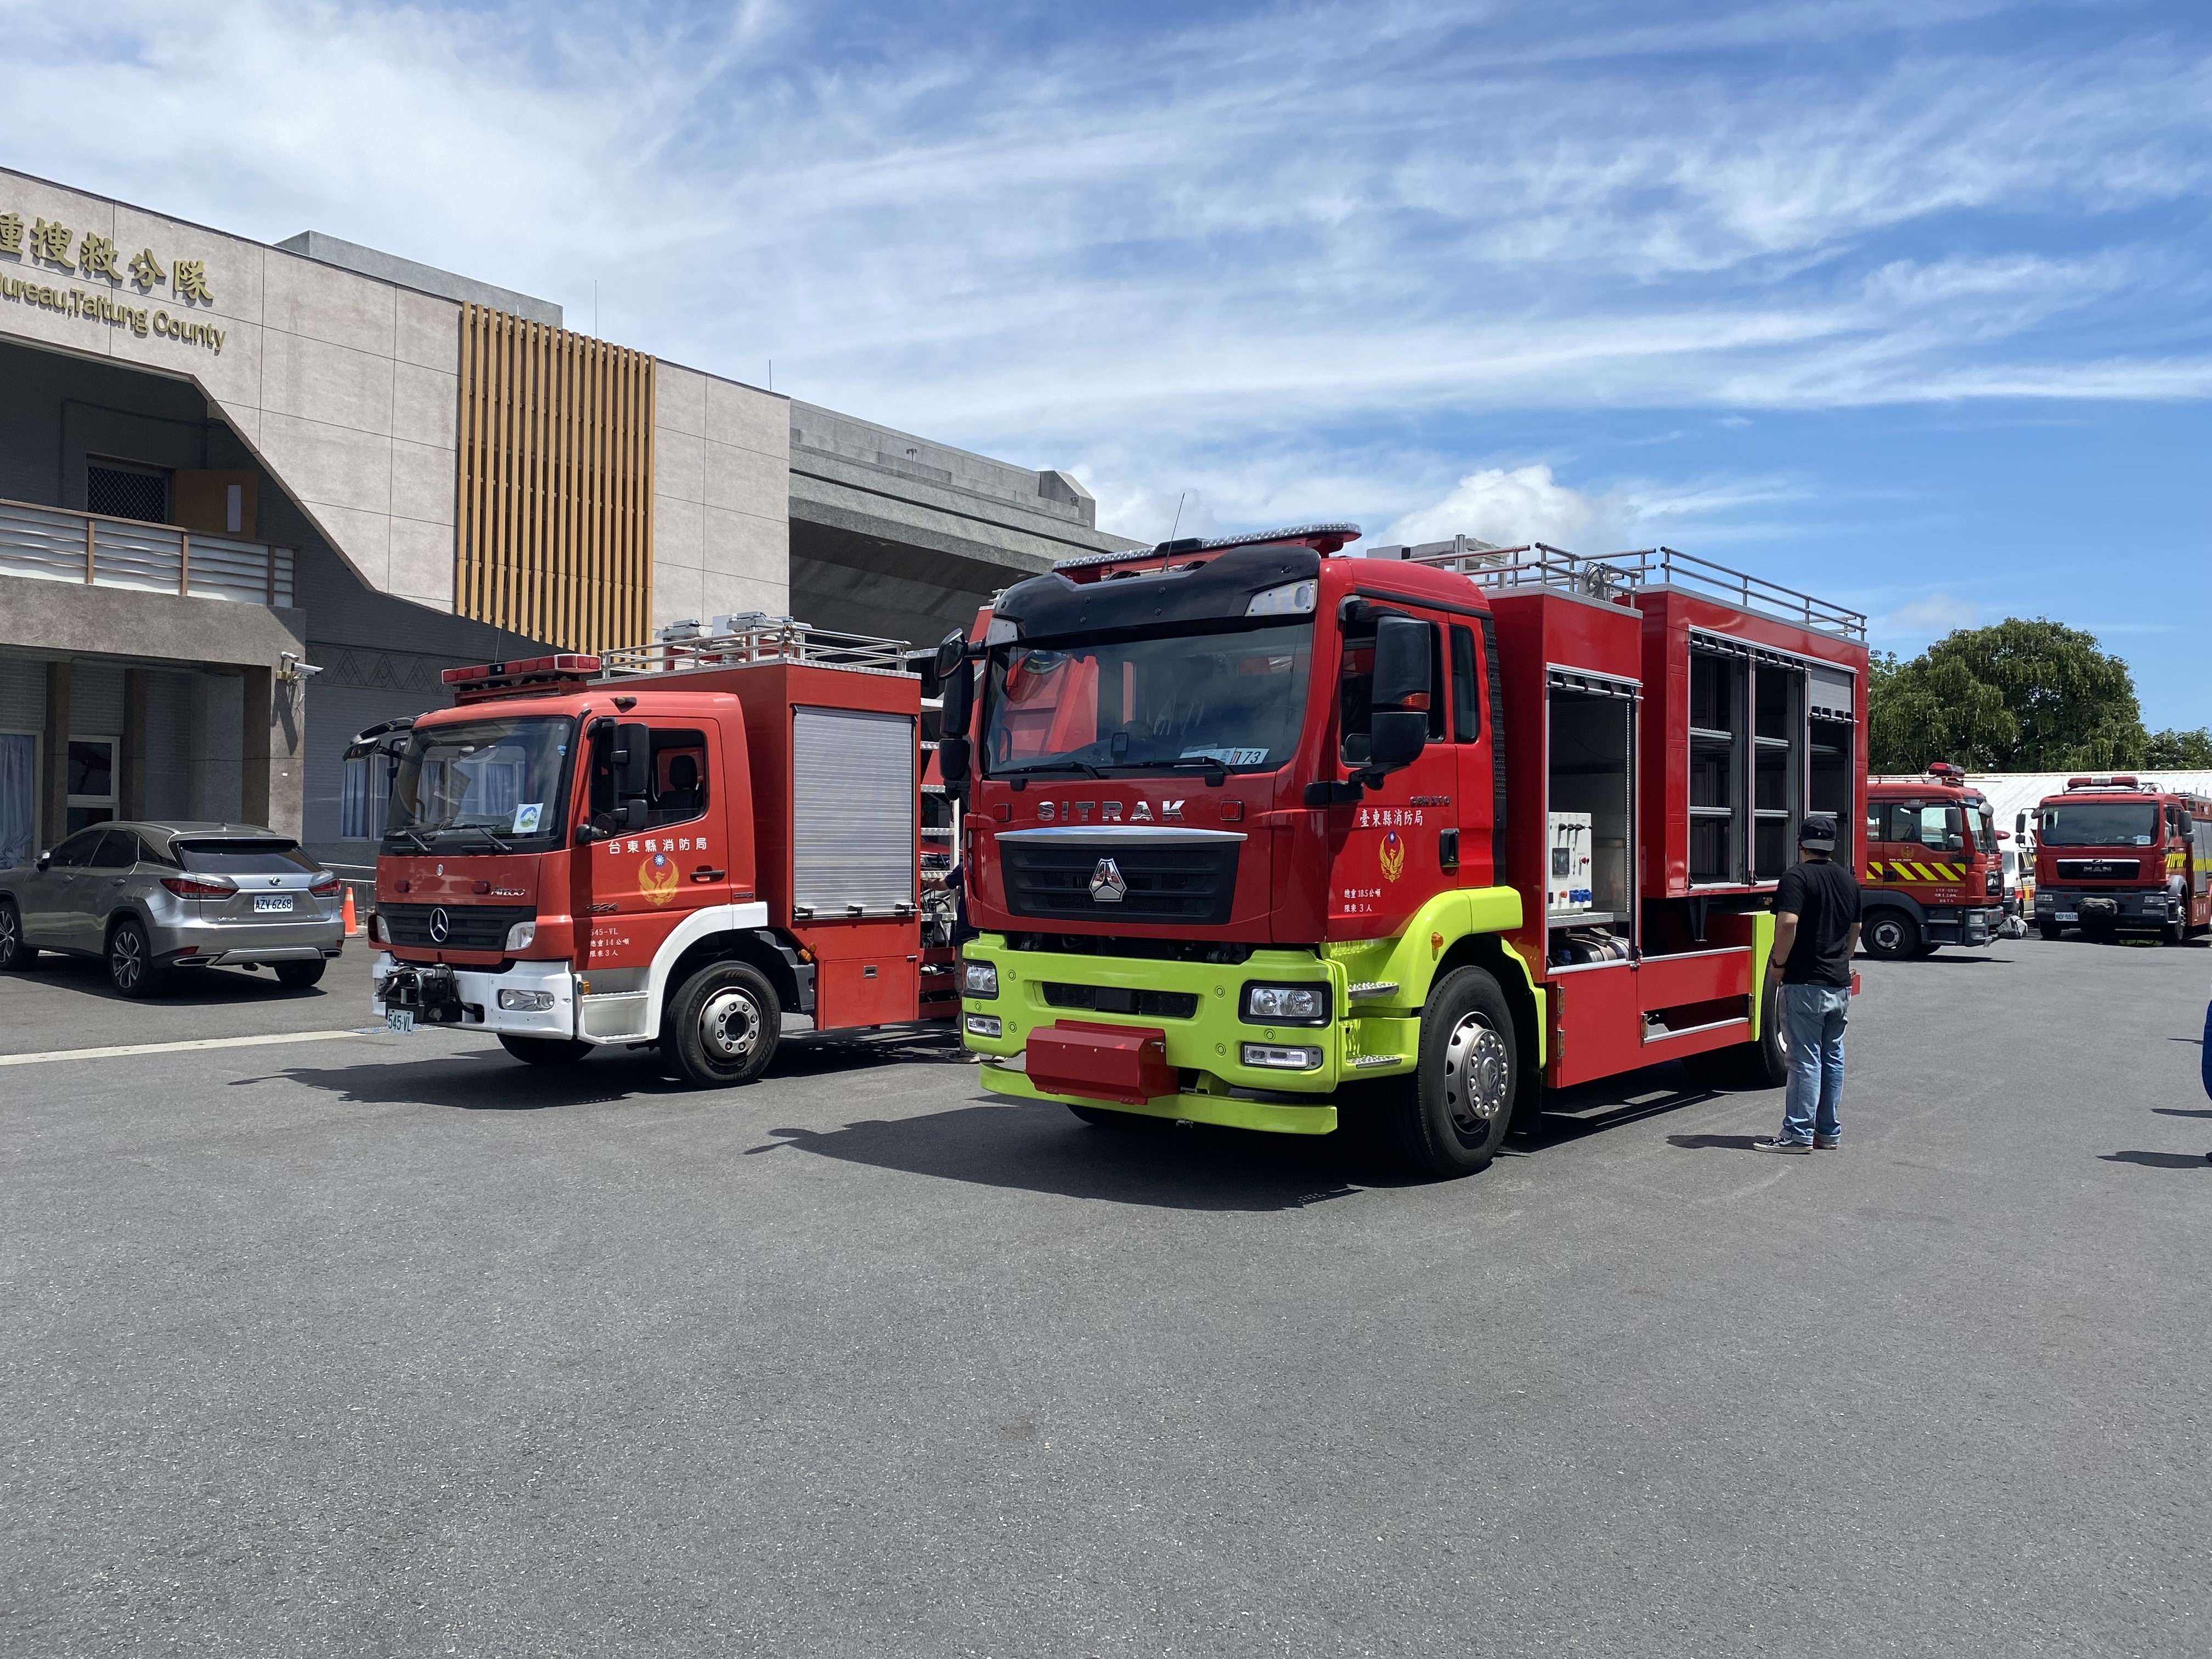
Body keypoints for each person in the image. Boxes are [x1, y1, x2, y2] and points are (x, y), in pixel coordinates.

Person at [1753, 815, 1860, 1154]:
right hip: (1838, 983)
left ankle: (1798, 1134)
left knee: (1804, 1060)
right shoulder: (1848, 880)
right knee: (1832, 1058)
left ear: (1801, 844)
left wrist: (1778, 964)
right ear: (1832, 846)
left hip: (1805, 982)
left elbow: (1787, 924)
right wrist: (1843, 958)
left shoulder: (1795, 878)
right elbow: (1855, 929)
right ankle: (1827, 1132)